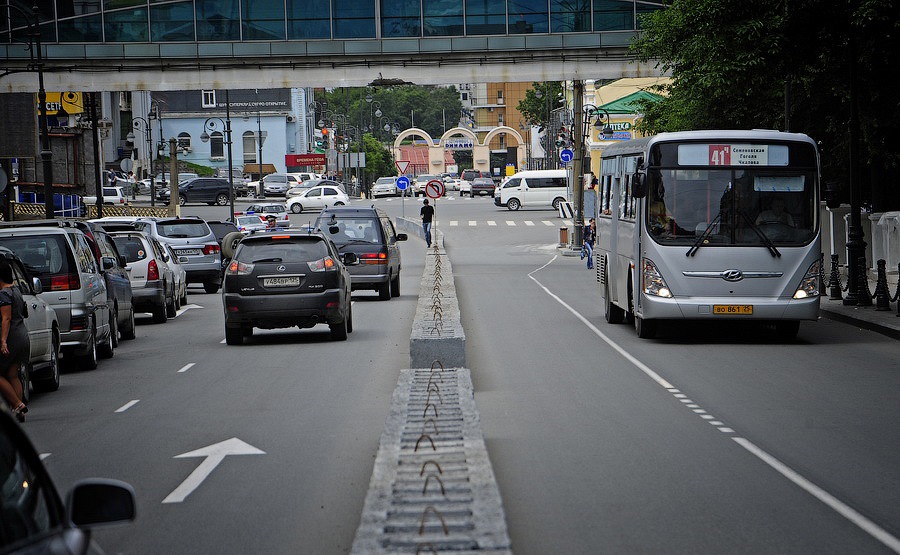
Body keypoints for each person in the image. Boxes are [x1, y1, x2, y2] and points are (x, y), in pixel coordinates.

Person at [0, 259, 29, 422]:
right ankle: (20, 412)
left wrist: (3, 341)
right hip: (22, 336)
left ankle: (18, 404)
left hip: (12, 337)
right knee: (12, 374)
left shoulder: (4, 293)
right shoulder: (16, 291)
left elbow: (6, 318)